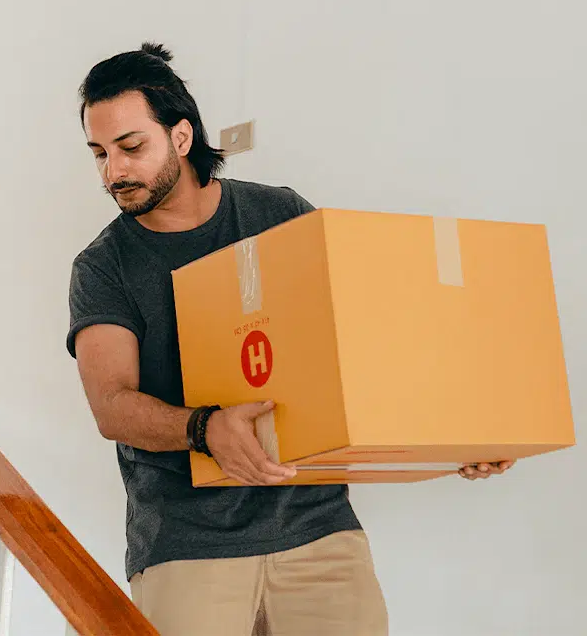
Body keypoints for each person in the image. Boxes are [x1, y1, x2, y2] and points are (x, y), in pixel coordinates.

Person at [66, 43, 512, 636]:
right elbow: (112, 404)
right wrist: (206, 427)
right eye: (99, 153)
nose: (113, 172)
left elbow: (357, 342)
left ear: (180, 137)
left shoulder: (277, 216)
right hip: (186, 544)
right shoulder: (103, 266)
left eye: (130, 147)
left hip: (318, 527)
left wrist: (456, 434)